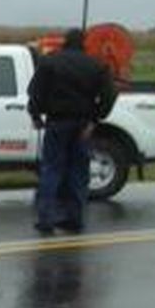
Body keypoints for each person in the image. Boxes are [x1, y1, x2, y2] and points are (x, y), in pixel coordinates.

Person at [27, 27, 118, 233]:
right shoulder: (96, 66)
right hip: (83, 125)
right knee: (78, 172)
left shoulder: (50, 61)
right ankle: (74, 219)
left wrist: (35, 115)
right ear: (84, 43)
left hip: (57, 123)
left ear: (65, 42)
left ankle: (46, 219)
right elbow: (110, 95)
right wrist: (94, 119)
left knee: (51, 170)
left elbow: (35, 92)